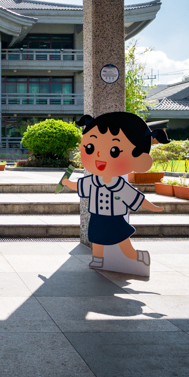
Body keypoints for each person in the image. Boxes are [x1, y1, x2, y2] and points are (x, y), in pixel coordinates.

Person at [61, 112, 169, 270]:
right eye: (90, 147)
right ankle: (98, 259)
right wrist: (68, 183)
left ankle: (139, 256)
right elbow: (80, 186)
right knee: (96, 239)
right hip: (97, 217)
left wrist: (153, 207)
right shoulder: (94, 180)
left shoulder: (119, 185)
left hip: (115, 218)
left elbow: (136, 198)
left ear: (139, 160)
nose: (99, 155)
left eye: (114, 151)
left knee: (124, 245)